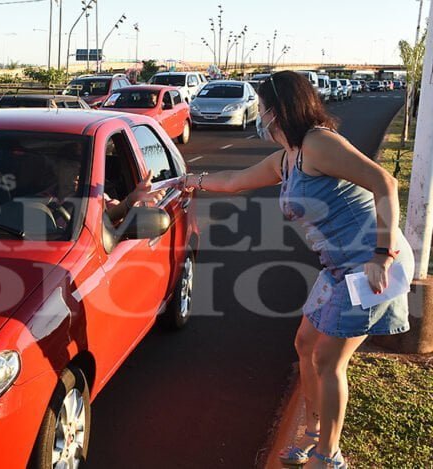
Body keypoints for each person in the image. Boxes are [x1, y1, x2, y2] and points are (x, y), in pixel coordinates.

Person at [178, 71, 412, 469]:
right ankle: (313, 432)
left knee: (328, 361)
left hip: (369, 265)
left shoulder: (319, 144)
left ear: (280, 108)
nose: (259, 114)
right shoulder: (288, 159)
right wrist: (188, 180)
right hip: (337, 267)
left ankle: (329, 454)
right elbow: (235, 181)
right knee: (305, 344)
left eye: (263, 106)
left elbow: (384, 182)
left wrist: (382, 253)